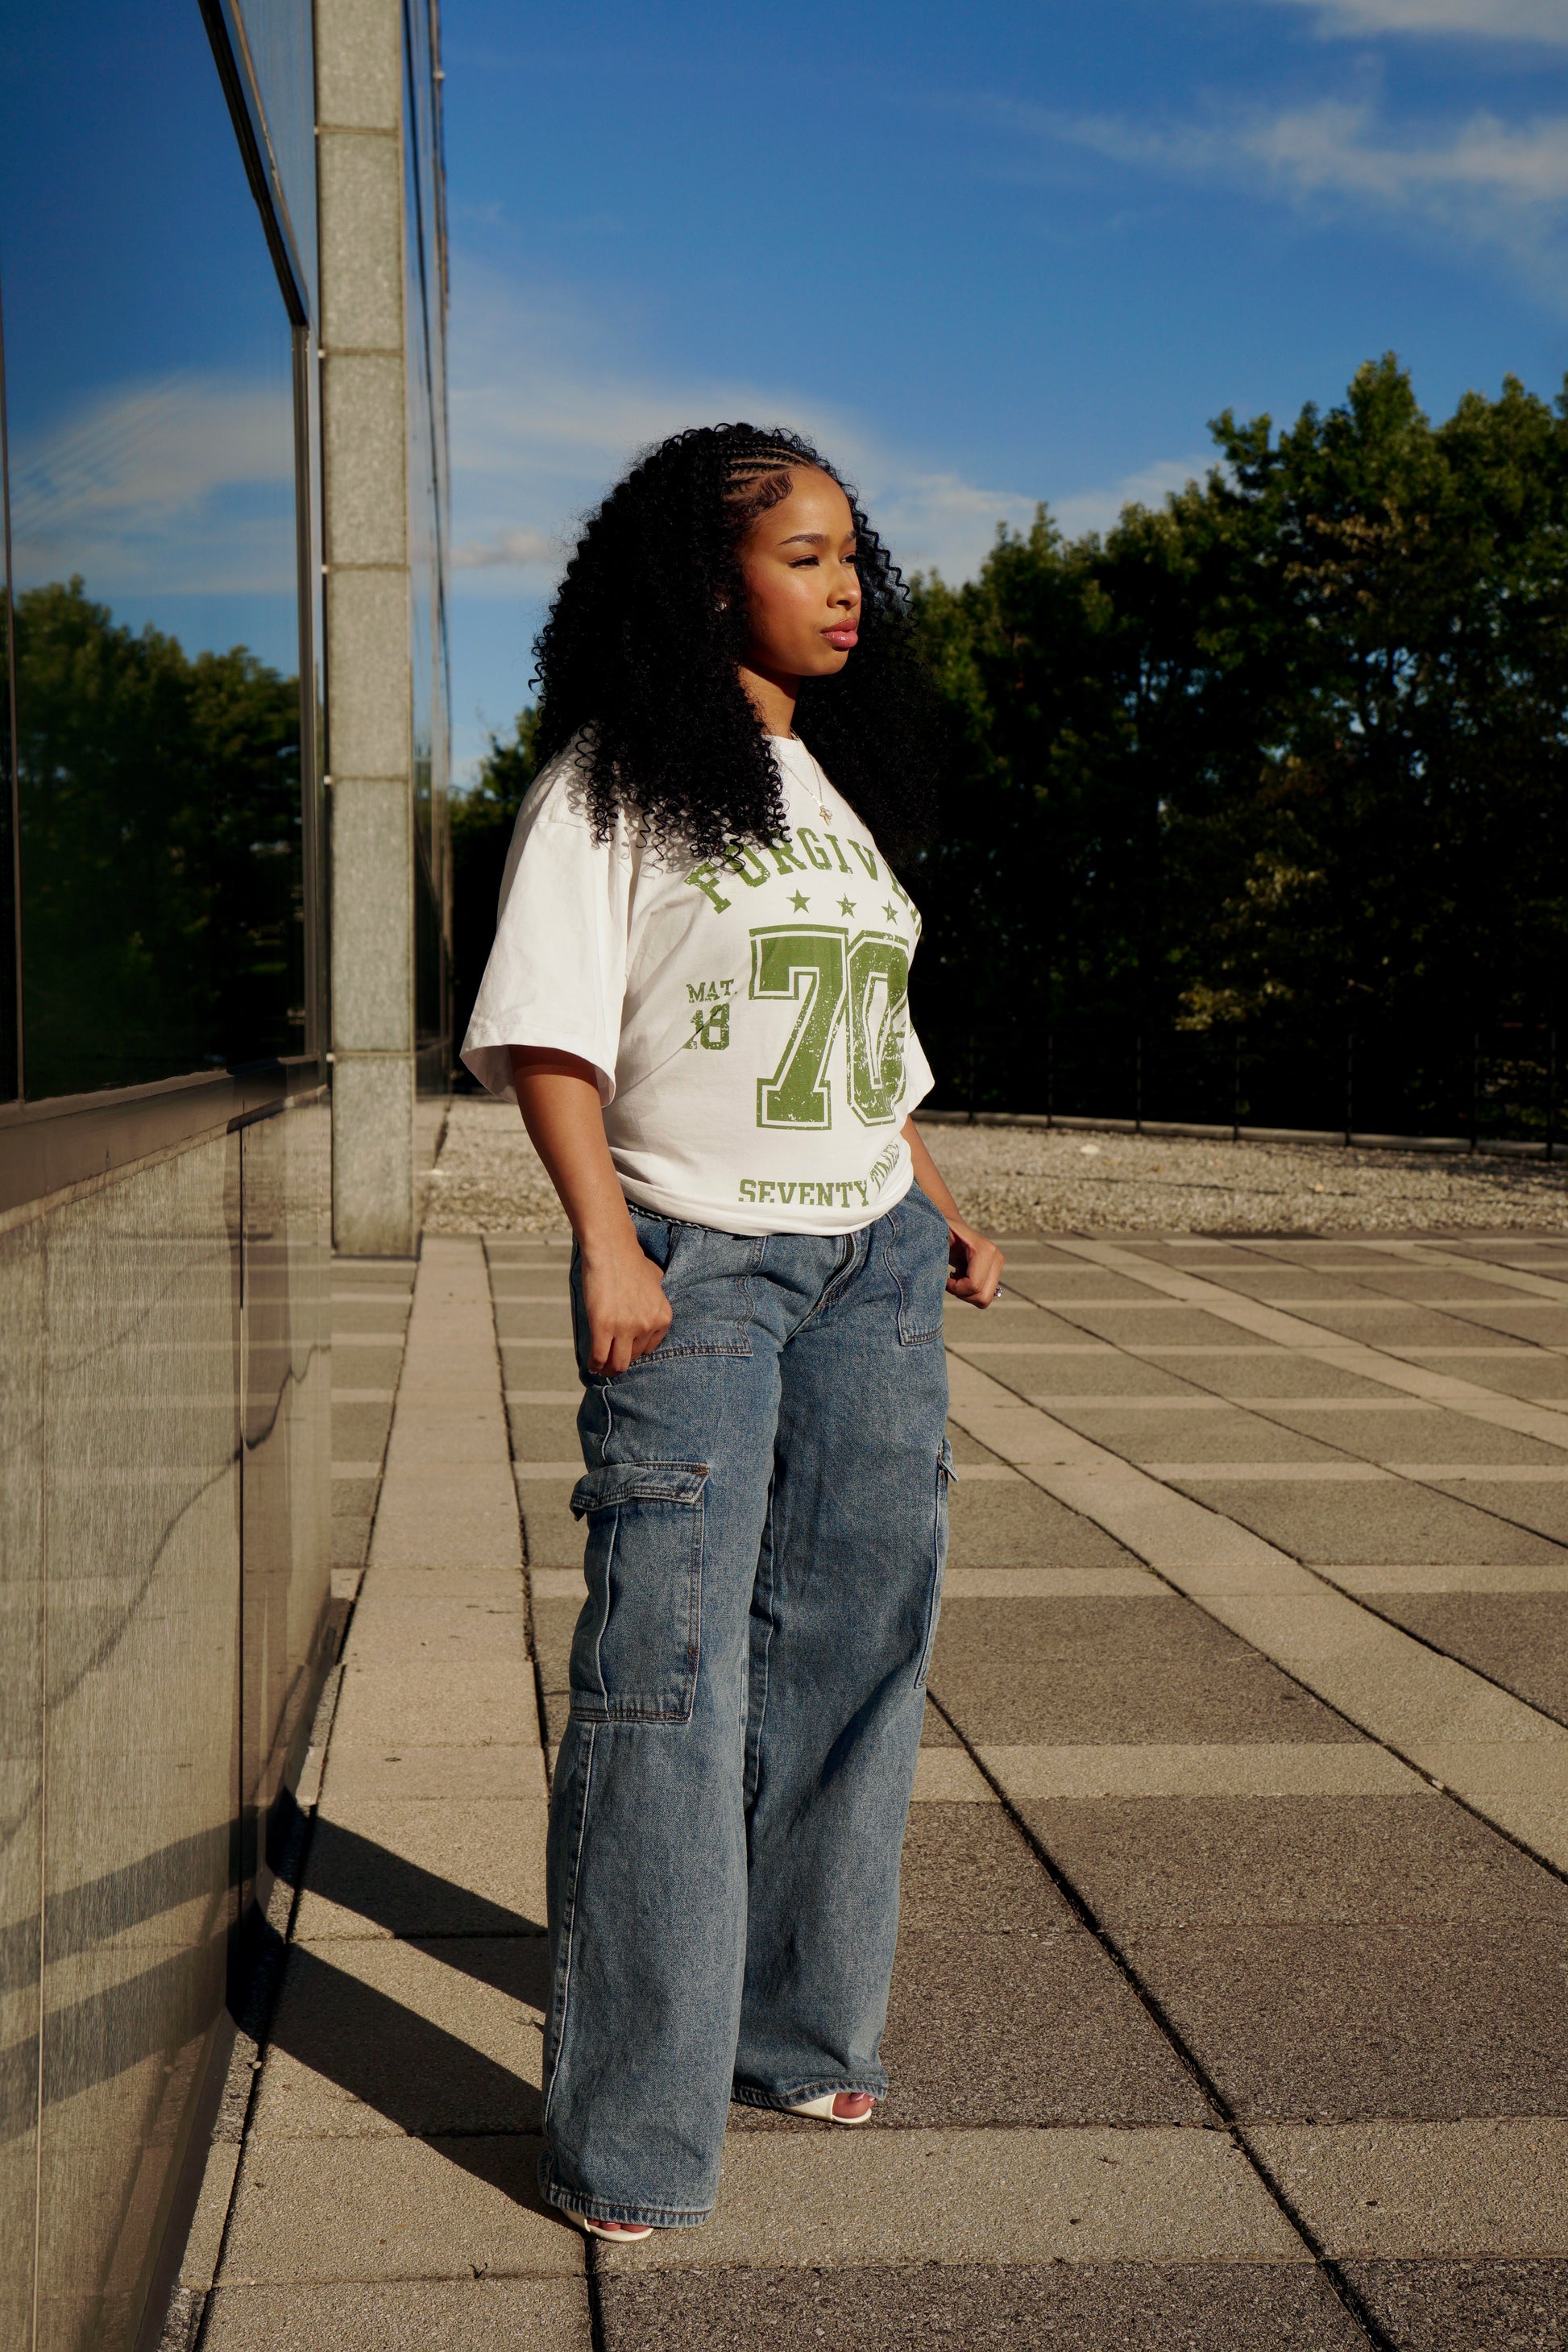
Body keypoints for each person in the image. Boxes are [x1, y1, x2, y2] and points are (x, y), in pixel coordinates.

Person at [462, 422, 1003, 2239]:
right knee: (668, 1683)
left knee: (857, 1643)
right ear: (710, 587)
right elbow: (549, 1032)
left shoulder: (831, 793)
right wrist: (606, 1243)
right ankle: (628, 2131)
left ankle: (790, 2026)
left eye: (859, 554)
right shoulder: (614, 781)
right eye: (806, 556)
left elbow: (865, 1042)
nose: (849, 586)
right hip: (696, 1261)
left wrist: (928, 1202)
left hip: (867, 1262)